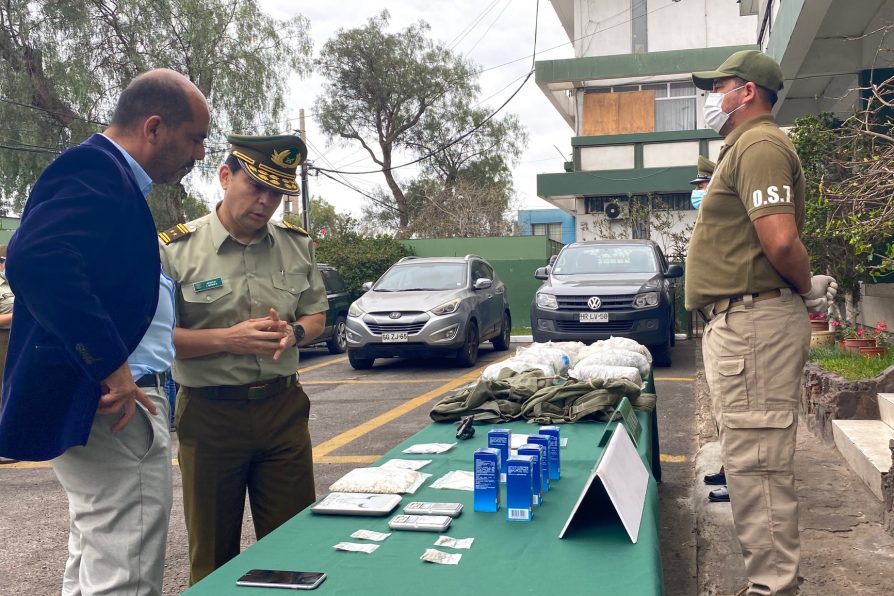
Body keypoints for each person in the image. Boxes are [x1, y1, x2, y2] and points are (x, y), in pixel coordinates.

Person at [0, 69, 209, 595]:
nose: (200, 153)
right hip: (116, 406)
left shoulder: (108, 177)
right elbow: (35, 258)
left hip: (105, 404)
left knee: (98, 561)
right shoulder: (96, 170)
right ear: (154, 127)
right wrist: (110, 364)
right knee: (124, 576)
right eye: (195, 138)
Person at [686, 50, 837, 596]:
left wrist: (804, 283)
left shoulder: (760, 147)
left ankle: (772, 587)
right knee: (750, 459)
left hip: (754, 324)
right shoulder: (744, 148)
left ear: (746, 91)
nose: (712, 98)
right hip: (742, 322)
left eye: (718, 86)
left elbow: (780, 239)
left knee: (758, 464)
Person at [159, 133, 328, 584]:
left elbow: (315, 315)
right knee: (213, 557)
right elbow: (157, 338)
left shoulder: (296, 244)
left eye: (276, 192)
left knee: (295, 550)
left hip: (283, 409)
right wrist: (227, 339)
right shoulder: (176, 249)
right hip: (211, 415)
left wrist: (294, 333)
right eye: (256, 186)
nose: (266, 201)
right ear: (224, 176)